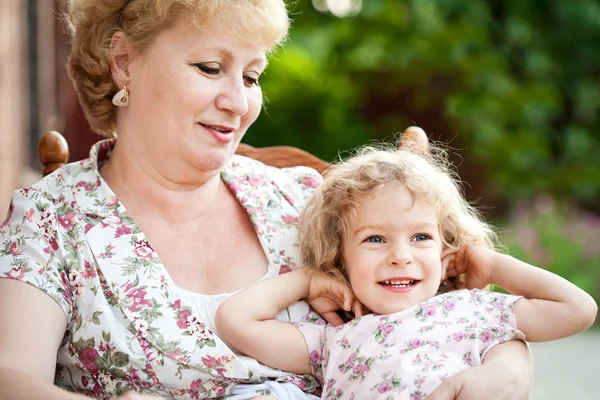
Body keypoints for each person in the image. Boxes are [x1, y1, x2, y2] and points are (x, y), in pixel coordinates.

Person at [0, 0, 535, 399]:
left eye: (252, 74)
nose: (238, 102)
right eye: (210, 67)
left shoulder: (307, 200)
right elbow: (11, 378)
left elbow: (460, 305)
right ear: (123, 62)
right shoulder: (53, 219)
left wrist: (506, 371)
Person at [216, 142, 598, 399]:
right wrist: (307, 279)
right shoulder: (334, 341)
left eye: (420, 237)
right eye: (375, 240)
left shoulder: (474, 310)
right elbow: (236, 321)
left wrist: (491, 263)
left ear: (446, 248)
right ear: (340, 259)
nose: (401, 256)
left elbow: (578, 310)